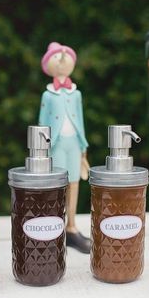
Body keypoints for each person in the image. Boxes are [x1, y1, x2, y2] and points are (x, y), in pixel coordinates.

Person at [39, 42, 90, 253]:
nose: (61, 61)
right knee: (59, 183)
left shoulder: (75, 94)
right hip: (56, 144)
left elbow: (80, 121)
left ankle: (72, 226)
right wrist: (42, 149)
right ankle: (56, 228)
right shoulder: (48, 95)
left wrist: (83, 147)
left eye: (65, 56)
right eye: (57, 57)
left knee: (74, 183)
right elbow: (42, 123)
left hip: (74, 144)